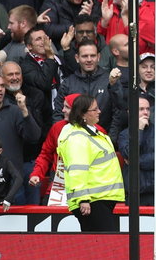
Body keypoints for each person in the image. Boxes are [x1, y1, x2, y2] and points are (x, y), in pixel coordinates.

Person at [56, 94, 125, 232]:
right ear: (83, 115)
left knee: (99, 245)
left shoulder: (93, 133)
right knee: (105, 244)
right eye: (94, 109)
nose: (99, 111)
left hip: (100, 199)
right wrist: (83, 199)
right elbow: (78, 170)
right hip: (92, 201)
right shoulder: (78, 138)